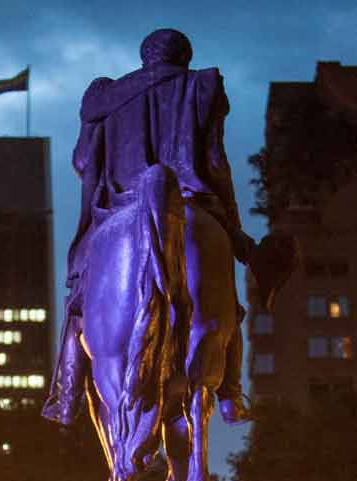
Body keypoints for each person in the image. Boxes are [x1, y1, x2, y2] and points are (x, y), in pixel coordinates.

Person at [43, 28, 295, 430]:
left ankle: (66, 395)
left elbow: (80, 161)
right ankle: (230, 391)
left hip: (119, 206)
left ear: (146, 58)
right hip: (191, 200)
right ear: (184, 57)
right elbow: (214, 163)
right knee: (226, 303)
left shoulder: (104, 97)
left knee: (80, 304)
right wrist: (234, 228)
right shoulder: (201, 86)